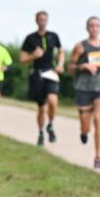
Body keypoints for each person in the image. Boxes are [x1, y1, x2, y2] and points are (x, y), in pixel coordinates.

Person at [69, 16, 100, 169]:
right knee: (86, 126)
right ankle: (84, 132)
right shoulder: (80, 47)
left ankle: (98, 157)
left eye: (97, 25)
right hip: (84, 88)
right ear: (87, 28)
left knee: (99, 119)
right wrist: (83, 66)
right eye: (92, 25)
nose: (94, 28)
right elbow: (70, 67)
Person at [21, 11, 65, 147]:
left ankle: (50, 125)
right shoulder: (30, 38)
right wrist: (33, 56)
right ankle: (40, 133)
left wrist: (60, 64)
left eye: (45, 19)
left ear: (47, 20)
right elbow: (22, 59)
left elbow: (61, 51)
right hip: (37, 74)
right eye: (40, 19)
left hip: (51, 72)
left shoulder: (53, 36)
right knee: (41, 109)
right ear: (36, 21)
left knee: (53, 100)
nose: (43, 22)